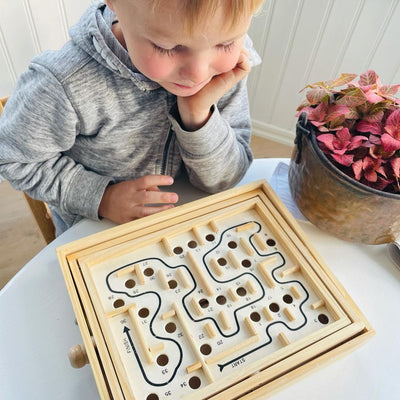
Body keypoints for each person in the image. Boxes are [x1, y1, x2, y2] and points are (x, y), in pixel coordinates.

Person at [0, 0, 263, 235]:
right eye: (167, 46)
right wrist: (101, 197)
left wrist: (198, 116)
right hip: (98, 231)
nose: (198, 73)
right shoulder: (62, 83)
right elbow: (12, 157)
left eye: (225, 43)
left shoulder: (228, 68)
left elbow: (225, 179)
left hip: (183, 227)